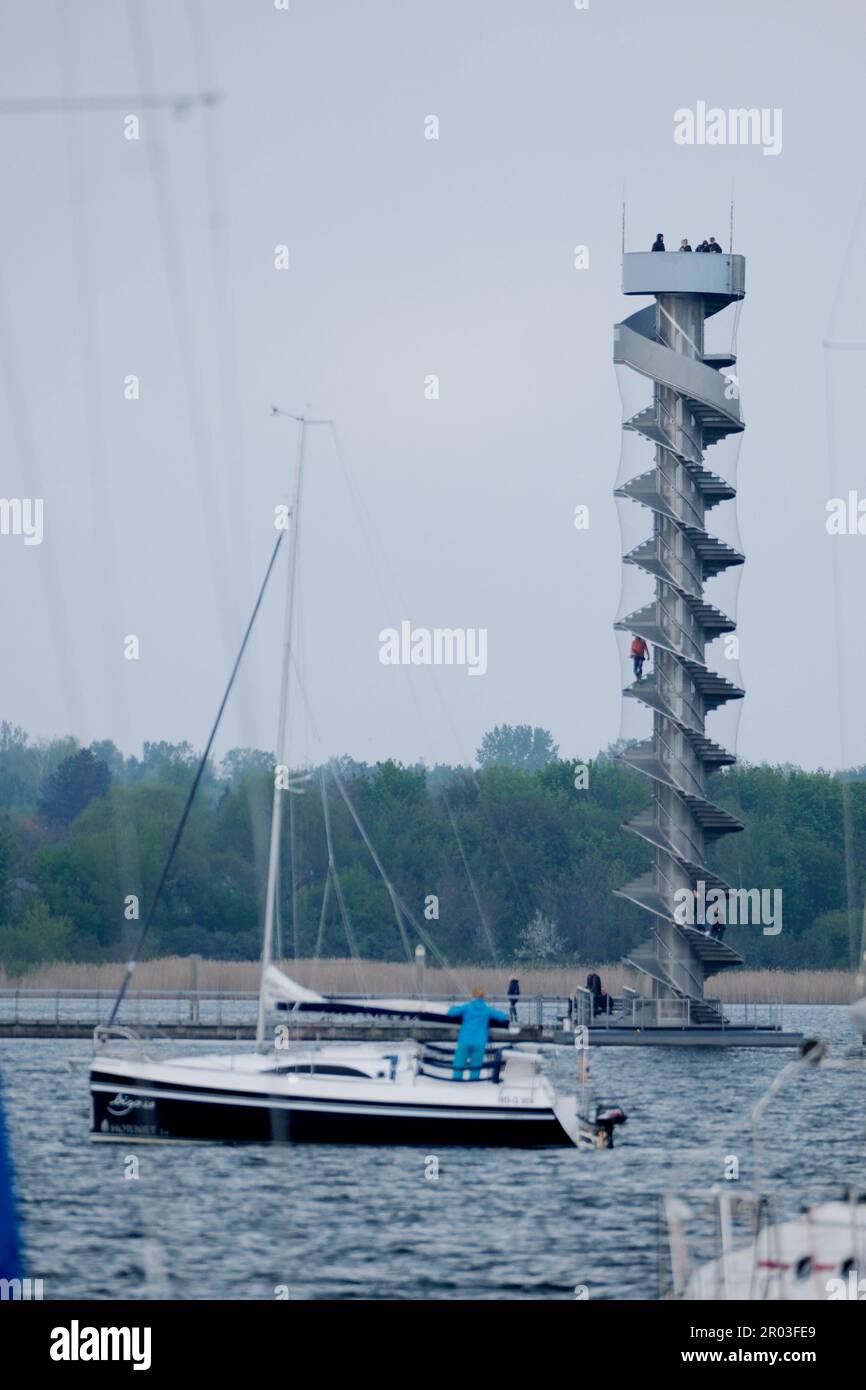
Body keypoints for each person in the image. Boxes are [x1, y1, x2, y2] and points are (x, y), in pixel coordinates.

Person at [447, 989, 509, 1080]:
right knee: (476, 1064)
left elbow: (451, 1013)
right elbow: (502, 1017)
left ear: (473, 996)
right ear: (483, 997)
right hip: (480, 1041)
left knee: (459, 1063)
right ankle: (474, 1081)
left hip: (465, 1039)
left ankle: (457, 1080)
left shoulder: (467, 1007)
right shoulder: (487, 1010)